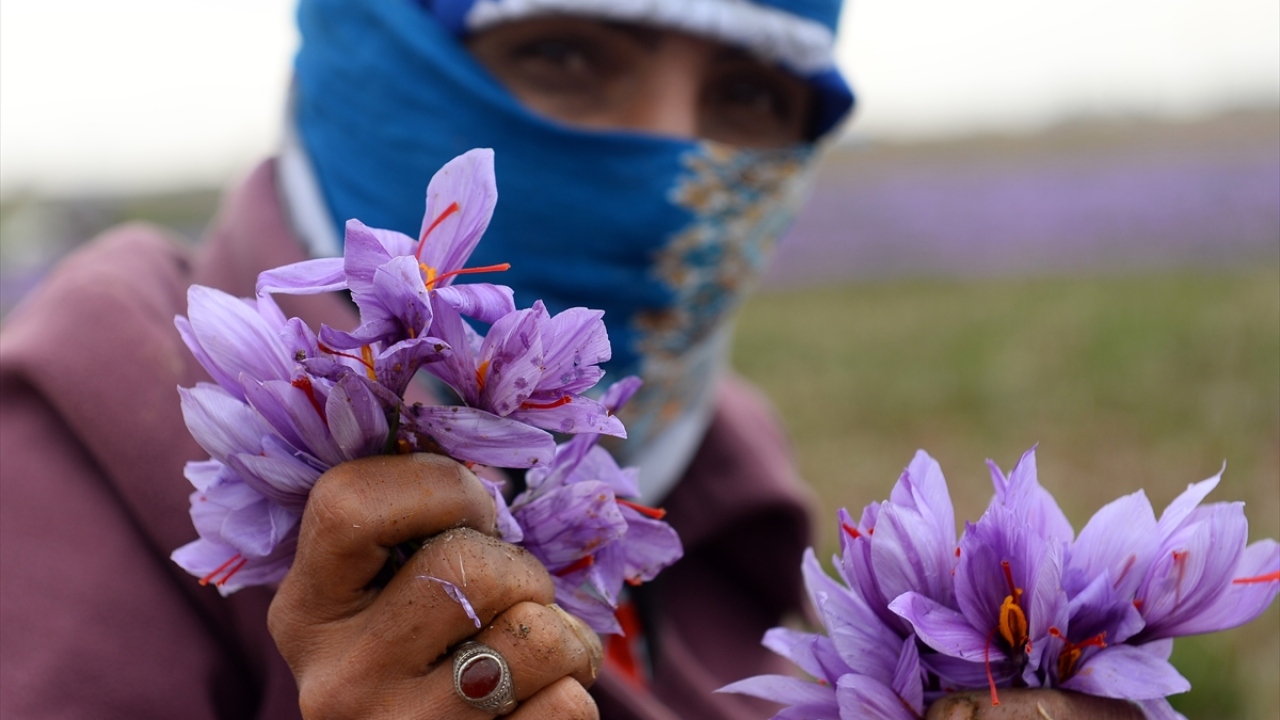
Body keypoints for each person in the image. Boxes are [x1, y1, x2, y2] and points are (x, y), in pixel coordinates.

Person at [0, 1, 1145, 718]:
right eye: (562, 51)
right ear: (370, 43)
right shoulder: (70, 437)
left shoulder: (727, 473)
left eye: (746, 94)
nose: (666, 160)